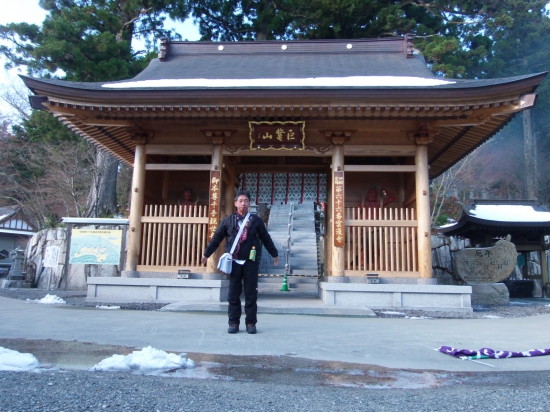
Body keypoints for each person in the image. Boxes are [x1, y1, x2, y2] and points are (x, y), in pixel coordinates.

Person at [201, 190, 279, 334]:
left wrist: (274, 254)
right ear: (236, 203)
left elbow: (265, 238)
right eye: (241, 201)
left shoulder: (255, 221)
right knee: (233, 293)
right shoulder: (228, 220)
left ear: (249, 204)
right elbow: (217, 238)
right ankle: (233, 323)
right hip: (234, 262)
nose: (243, 203)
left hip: (251, 262)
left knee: (251, 294)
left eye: (246, 201)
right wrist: (207, 253)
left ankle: (250, 323)